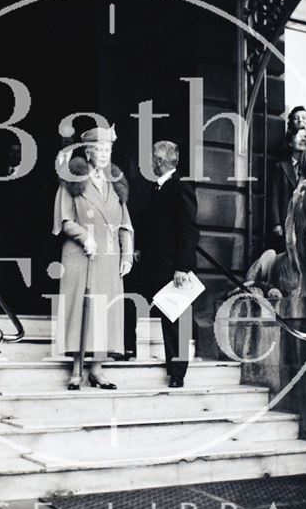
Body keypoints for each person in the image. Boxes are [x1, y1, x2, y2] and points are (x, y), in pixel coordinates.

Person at [52, 125, 133, 390]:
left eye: (107, 149)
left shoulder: (116, 183)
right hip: (80, 256)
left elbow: (125, 224)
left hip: (108, 258)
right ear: (88, 152)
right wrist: (84, 237)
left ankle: (97, 369)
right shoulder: (73, 180)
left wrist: (127, 254)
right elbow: (64, 219)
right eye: (98, 149)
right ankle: (76, 370)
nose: (103, 154)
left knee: (104, 311)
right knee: (80, 310)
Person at [136, 141, 199, 388]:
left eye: (153, 157)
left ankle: (177, 372)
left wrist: (182, 267)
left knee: (175, 320)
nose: (151, 161)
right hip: (154, 264)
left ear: (160, 161)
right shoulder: (158, 187)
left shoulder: (180, 186)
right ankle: (129, 349)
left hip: (173, 268)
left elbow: (189, 229)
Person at [269, 122, 306, 249]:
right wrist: (276, 223)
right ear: (290, 142)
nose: (304, 139)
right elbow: (274, 197)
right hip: (287, 221)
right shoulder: (281, 166)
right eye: (299, 136)